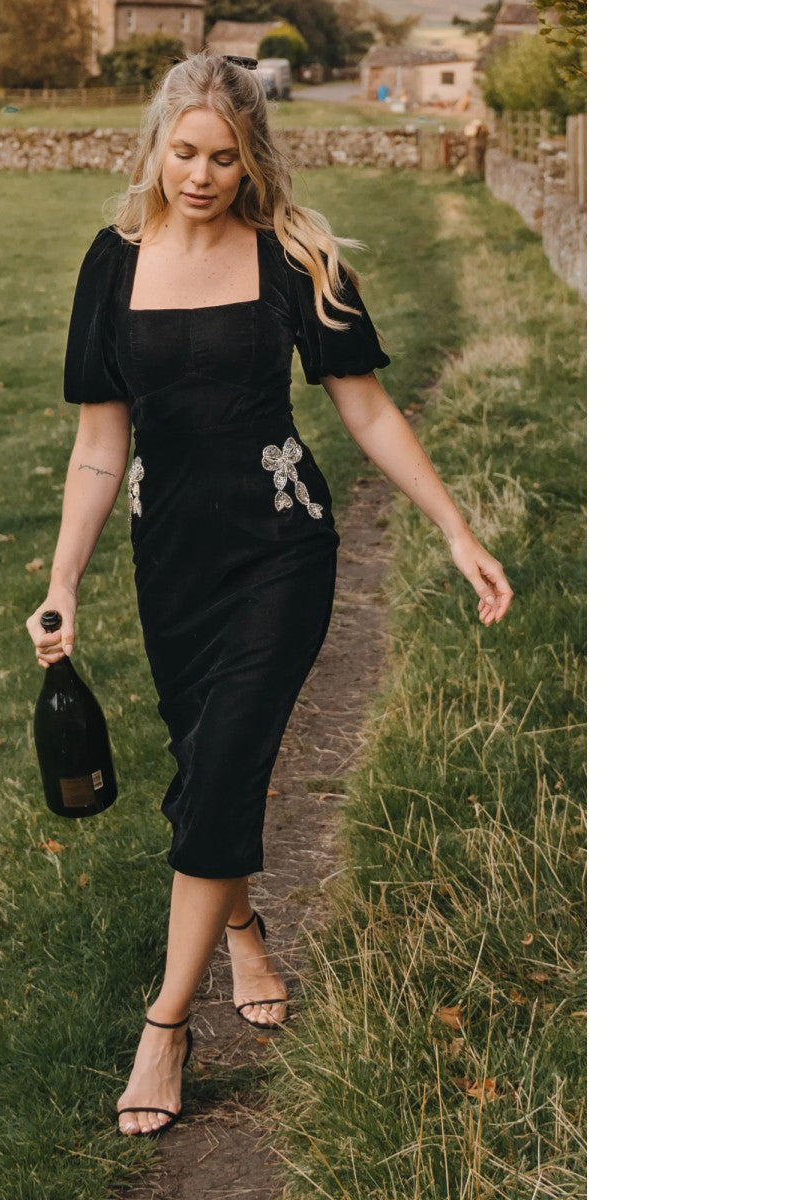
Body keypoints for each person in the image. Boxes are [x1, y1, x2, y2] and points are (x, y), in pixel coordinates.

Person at [26, 51, 513, 1138]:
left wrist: (455, 530)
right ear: (156, 146)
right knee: (207, 768)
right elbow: (100, 446)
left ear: (255, 157)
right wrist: (63, 582)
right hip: (171, 565)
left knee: (227, 760)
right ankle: (242, 929)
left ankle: (166, 1023)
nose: (200, 175)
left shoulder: (295, 258)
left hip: (280, 551)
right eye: (184, 152)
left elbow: (369, 410)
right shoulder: (113, 264)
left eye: (224, 156)